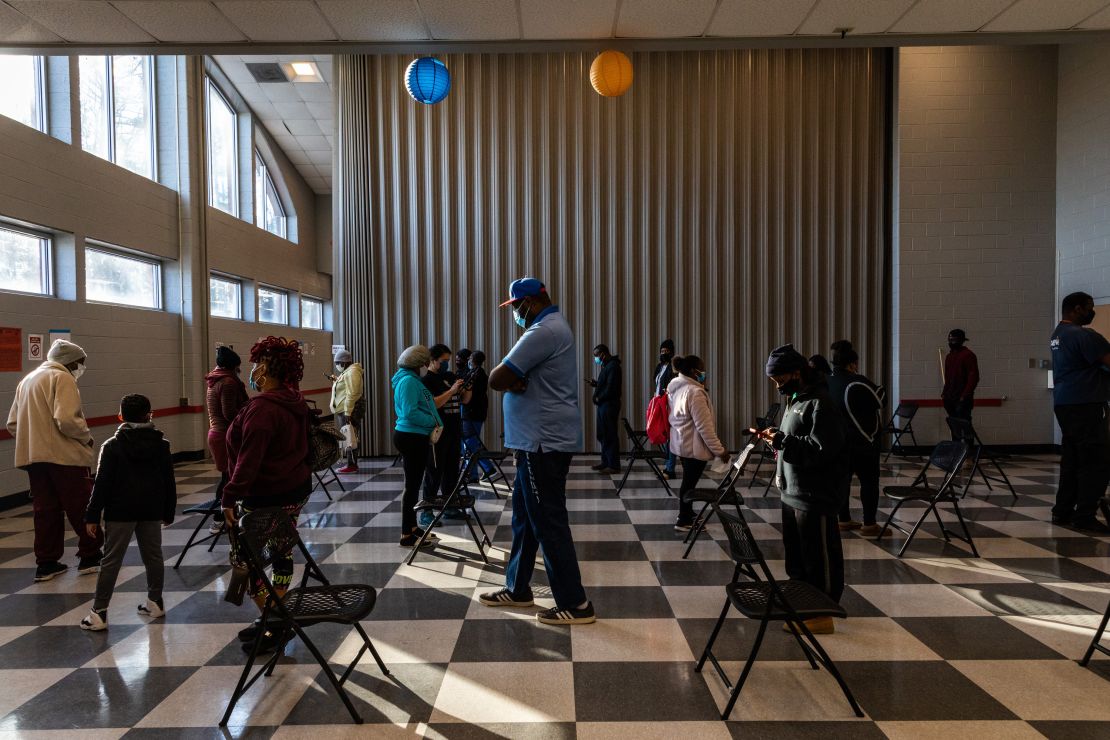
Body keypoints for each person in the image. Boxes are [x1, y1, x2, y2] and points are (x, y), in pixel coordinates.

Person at [480, 277, 594, 625]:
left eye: (516, 307)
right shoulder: (551, 327)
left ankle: (575, 604)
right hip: (535, 440)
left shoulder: (542, 331)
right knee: (526, 518)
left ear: (529, 302)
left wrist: (512, 381)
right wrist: (518, 380)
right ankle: (517, 588)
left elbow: (496, 378)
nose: (514, 313)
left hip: (541, 442)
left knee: (547, 519)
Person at [221, 336, 314, 653]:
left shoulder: (261, 409)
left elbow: (248, 462)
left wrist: (229, 497)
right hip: (295, 489)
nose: (252, 371)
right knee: (282, 551)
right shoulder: (294, 400)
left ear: (263, 369)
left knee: (250, 565)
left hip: (265, 495)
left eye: (255, 365)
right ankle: (274, 619)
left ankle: (277, 623)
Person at [758, 344, 846, 635]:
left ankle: (822, 612)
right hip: (791, 491)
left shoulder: (821, 402)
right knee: (798, 556)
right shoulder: (796, 398)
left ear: (797, 372)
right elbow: (792, 440)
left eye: (780, 380)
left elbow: (823, 450)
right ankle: (801, 603)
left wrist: (783, 442)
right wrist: (777, 441)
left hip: (814, 495)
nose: (778, 386)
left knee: (818, 556)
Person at [6, 339, 103, 582]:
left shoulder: (27, 380)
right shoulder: (62, 378)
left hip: (33, 458)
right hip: (64, 457)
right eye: (80, 363)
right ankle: (90, 555)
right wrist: (86, 438)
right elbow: (67, 420)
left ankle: (47, 563)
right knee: (81, 505)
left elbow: (12, 424)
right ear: (70, 362)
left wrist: (33, 439)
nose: (81, 367)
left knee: (45, 510)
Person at [80, 394, 176, 631]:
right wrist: (169, 510)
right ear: (149, 414)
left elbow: (101, 484)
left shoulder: (112, 446)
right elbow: (168, 481)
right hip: (151, 509)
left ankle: (99, 612)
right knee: (153, 556)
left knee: (111, 560)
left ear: (120, 415)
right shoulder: (161, 445)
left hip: (120, 511)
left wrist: (92, 515)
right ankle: (155, 602)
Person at [1050, 292, 1110, 533]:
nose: (1091, 312)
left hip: (1065, 403)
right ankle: (1085, 515)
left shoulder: (1058, 334)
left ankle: (1062, 510)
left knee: (1072, 459)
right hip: (1086, 403)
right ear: (1076, 309)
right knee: (1096, 461)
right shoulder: (1084, 335)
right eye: (1089, 308)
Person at [827, 340, 886, 537]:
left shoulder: (827, 381)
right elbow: (881, 398)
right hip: (862, 442)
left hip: (837, 442)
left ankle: (843, 519)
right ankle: (869, 523)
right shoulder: (856, 381)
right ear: (852, 363)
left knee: (842, 481)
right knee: (869, 481)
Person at [667, 354, 729, 531]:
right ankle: (684, 519)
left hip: (682, 444)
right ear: (694, 372)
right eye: (702, 370)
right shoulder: (694, 393)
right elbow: (704, 427)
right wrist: (720, 450)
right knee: (689, 483)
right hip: (695, 446)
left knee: (689, 482)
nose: (704, 373)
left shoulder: (677, 387)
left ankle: (688, 512)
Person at [391, 344, 443, 548]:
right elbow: (409, 412)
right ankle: (406, 533)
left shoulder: (409, 379)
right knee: (411, 487)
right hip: (411, 436)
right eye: (425, 361)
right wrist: (433, 422)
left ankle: (412, 527)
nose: (426, 364)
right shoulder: (409, 382)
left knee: (414, 485)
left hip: (413, 435)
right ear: (419, 363)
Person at [418, 344, 471, 525]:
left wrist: (467, 387)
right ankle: (426, 511)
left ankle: (450, 506)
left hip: (455, 430)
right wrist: (451, 391)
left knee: (451, 471)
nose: (447, 365)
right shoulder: (427, 381)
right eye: (444, 361)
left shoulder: (449, 377)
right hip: (437, 432)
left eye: (449, 361)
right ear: (432, 361)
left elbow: (465, 400)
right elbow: (434, 404)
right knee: (434, 471)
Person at [205, 345, 248, 530]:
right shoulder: (229, 382)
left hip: (217, 434)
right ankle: (219, 518)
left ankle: (224, 516)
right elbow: (229, 412)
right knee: (229, 478)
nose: (239, 370)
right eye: (237, 367)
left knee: (228, 476)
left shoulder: (216, 380)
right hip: (225, 435)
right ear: (232, 366)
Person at [587, 344, 622, 474]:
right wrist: (596, 384)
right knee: (603, 434)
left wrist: (598, 398)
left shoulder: (613, 366)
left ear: (603, 354)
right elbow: (606, 384)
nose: (595, 358)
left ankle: (613, 465)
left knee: (609, 434)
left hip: (609, 405)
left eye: (596, 355)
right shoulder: (606, 366)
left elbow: (611, 388)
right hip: (604, 405)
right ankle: (605, 461)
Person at [460, 350, 494, 481]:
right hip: (476, 413)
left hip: (472, 413)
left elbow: (466, 392)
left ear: (472, 360)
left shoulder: (474, 375)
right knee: (471, 442)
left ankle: (475, 473)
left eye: (469, 359)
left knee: (469, 443)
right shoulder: (480, 373)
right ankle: (485, 469)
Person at [329, 349, 365, 474]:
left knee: (351, 437)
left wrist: (347, 412)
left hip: (349, 411)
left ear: (344, 362)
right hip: (346, 410)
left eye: (337, 363)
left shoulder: (353, 372)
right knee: (350, 436)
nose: (337, 366)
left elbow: (352, 394)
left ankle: (352, 465)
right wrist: (337, 380)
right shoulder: (348, 372)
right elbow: (347, 388)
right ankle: (351, 463)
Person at [942, 329, 979, 431]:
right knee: (955, 428)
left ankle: (967, 447)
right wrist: (944, 393)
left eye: (954, 340)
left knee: (965, 428)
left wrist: (964, 396)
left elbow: (973, 378)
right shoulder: (949, 356)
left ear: (961, 341)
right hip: (950, 398)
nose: (951, 342)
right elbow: (948, 378)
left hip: (962, 400)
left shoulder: (968, 355)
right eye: (949, 340)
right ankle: (956, 447)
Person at [654, 339, 678, 478]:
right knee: (663, 435)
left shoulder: (673, 367)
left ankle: (670, 468)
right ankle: (668, 463)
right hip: (659, 404)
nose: (664, 353)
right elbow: (657, 384)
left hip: (670, 405)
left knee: (671, 437)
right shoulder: (660, 367)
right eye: (662, 351)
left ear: (672, 353)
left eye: (667, 351)